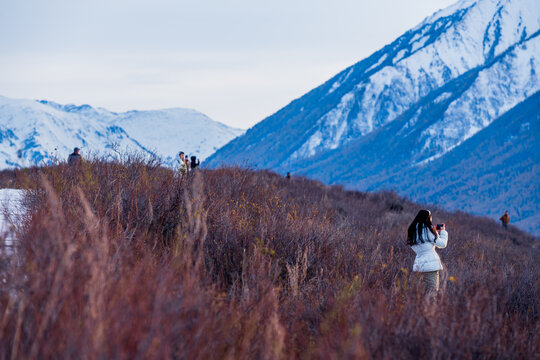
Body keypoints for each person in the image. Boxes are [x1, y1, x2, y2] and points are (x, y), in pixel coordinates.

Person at [407, 209, 449, 295]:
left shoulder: (412, 231)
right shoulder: (428, 231)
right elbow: (442, 244)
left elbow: (422, 243)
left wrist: (433, 232)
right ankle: (430, 309)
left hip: (419, 265)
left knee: (419, 294)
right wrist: (442, 232)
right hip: (431, 266)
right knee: (432, 293)